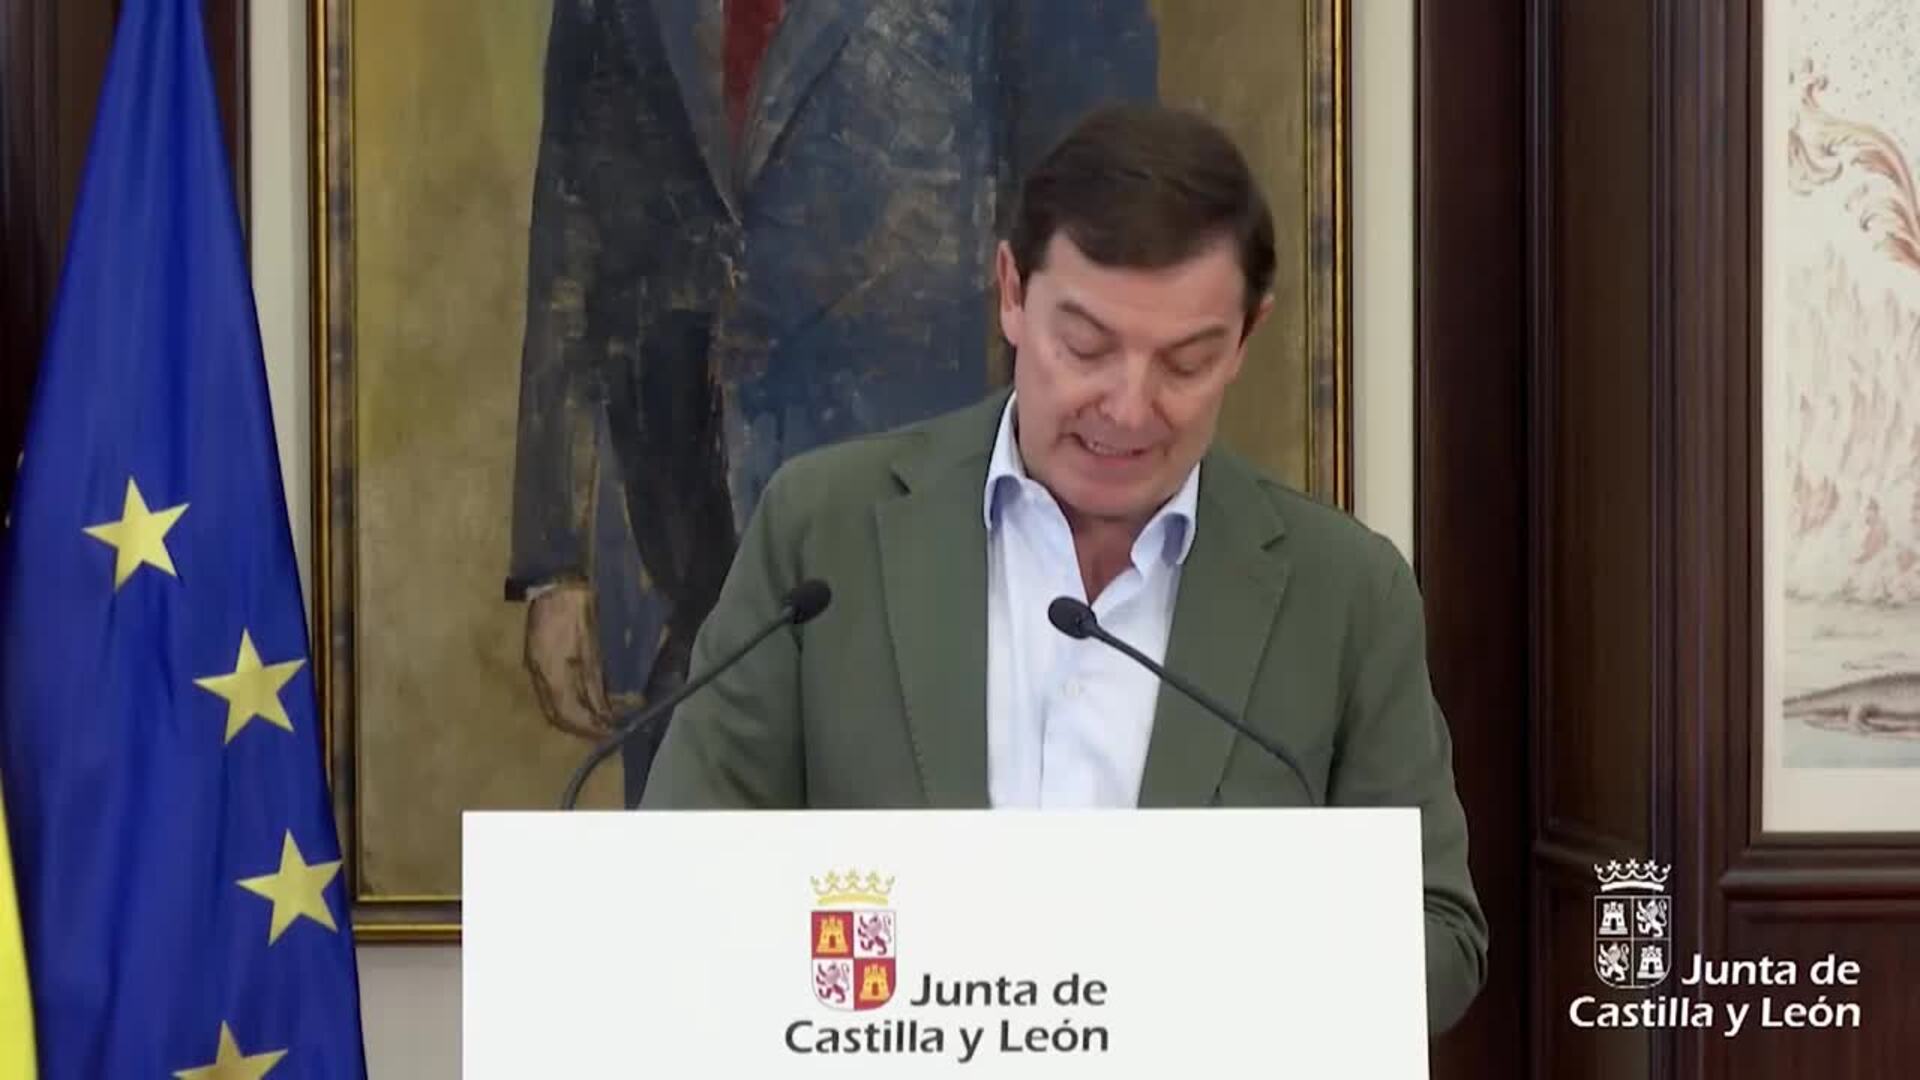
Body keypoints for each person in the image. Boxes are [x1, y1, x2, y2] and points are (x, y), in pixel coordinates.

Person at [637, 103, 1489, 1033]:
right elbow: (683, 869)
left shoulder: (1344, 593)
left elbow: (1440, 938)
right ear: (1012, 291)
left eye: (1185, 363)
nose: (1127, 408)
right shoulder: (824, 531)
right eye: (1085, 347)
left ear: (1246, 338)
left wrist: (1210, 967)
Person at [506, 0, 1158, 806]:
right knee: (696, 884)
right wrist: (555, 562)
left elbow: (1106, 242)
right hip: (679, 578)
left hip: (940, 563)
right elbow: (573, 226)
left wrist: (1082, 547)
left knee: (923, 883)